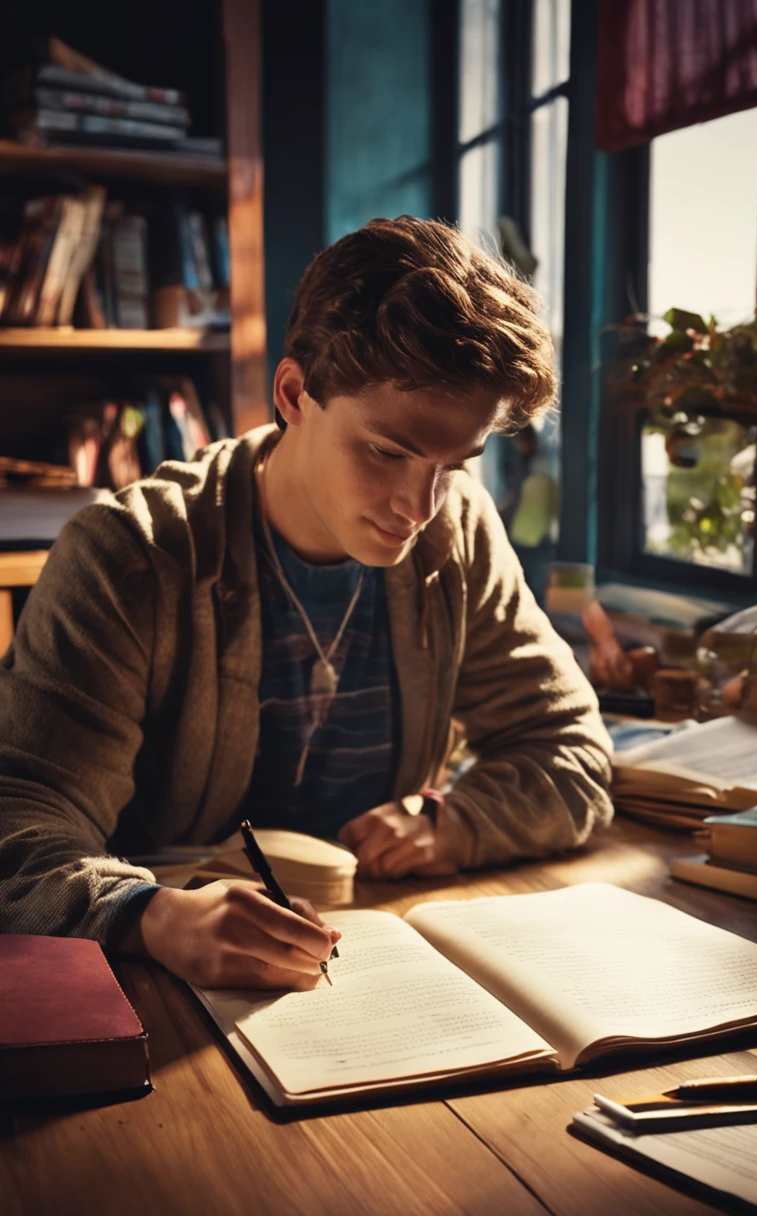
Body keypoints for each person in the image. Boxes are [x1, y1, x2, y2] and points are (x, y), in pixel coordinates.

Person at [0, 216, 613, 991]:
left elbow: (573, 750)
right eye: (388, 453)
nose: (419, 506)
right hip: (158, 983)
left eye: (453, 464)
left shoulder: (457, 531)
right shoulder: (129, 555)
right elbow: (20, 815)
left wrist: (457, 823)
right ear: (294, 393)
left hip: (379, 960)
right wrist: (145, 913)